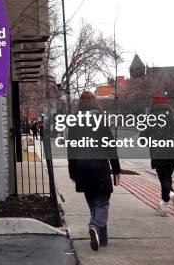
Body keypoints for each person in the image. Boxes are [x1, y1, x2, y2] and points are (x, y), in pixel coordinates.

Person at [68, 92, 121, 252]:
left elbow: (71, 150)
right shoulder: (101, 120)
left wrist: (72, 173)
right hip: (99, 166)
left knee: (94, 204)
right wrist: (116, 169)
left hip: (81, 167)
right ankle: (94, 226)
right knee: (103, 202)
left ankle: (102, 239)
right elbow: (110, 146)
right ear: (94, 102)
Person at [142, 97, 174, 218]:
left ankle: (172, 196)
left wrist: (151, 144)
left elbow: (142, 139)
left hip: (158, 155)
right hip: (173, 155)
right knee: (167, 179)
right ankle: (163, 206)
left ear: (153, 106)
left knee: (165, 180)